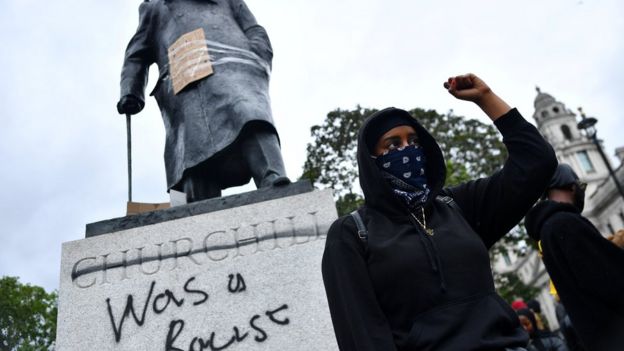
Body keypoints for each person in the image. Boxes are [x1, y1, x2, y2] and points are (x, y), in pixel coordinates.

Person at [321, 73, 557, 350]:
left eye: (414, 141)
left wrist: (486, 98)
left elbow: (537, 162)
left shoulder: (459, 206)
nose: (407, 150)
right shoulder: (352, 233)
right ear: (371, 160)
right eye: (393, 144)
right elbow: (362, 336)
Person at [118, 0, 289, 203]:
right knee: (191, 148)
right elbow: (137, 54)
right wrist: (131, 90)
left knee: (249, 113)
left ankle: (272, 175)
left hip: (235, 63)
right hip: (186, 75)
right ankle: (193, 204)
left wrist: (258, 53)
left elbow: (253, 28)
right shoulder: (155, 7)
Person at [524, 164, 624, 351]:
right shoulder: (566, 223)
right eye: (581, 187)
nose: (582, 192)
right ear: (571, 186)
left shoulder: (548, 231)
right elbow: (609, 278)